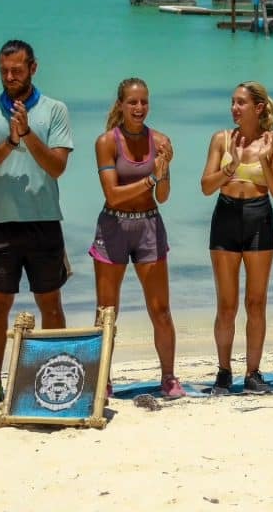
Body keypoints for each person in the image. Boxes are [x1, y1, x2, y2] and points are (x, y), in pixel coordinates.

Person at [0, 39, 74, 407]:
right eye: (4, 70)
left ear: (33, 68)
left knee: (51, 305)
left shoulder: (54, 109)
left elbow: (57, 167)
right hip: (0, 223)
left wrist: (28, 134)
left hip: (44, 220)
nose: (10, 76)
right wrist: (10, 142)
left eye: (17, 70)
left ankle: (55, 378)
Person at [90, 78, 185, 398]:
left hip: (148, 225)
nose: (139, 107)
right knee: (106, 312)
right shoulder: (106, 142)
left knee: (161, 309)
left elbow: (164, 195)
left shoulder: (160, 141)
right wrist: (151, 178)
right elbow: (113, 195)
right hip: (113, 226)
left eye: (144, 101)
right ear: (120, 105)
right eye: (132, 102)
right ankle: (102, 379)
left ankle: (169, 377)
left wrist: (164, 168)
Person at [200, 81, 273, 395]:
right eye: (233, 102)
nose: (234, 108)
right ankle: (224, 372)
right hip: (225, 216)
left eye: (241, 103)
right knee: (226, 305)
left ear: (258, 107)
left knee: (256, 302)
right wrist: (231, 168)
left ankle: (253, 373)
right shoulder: (221, 139)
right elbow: (206, 186)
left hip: (258, 217)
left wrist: (263, 161)